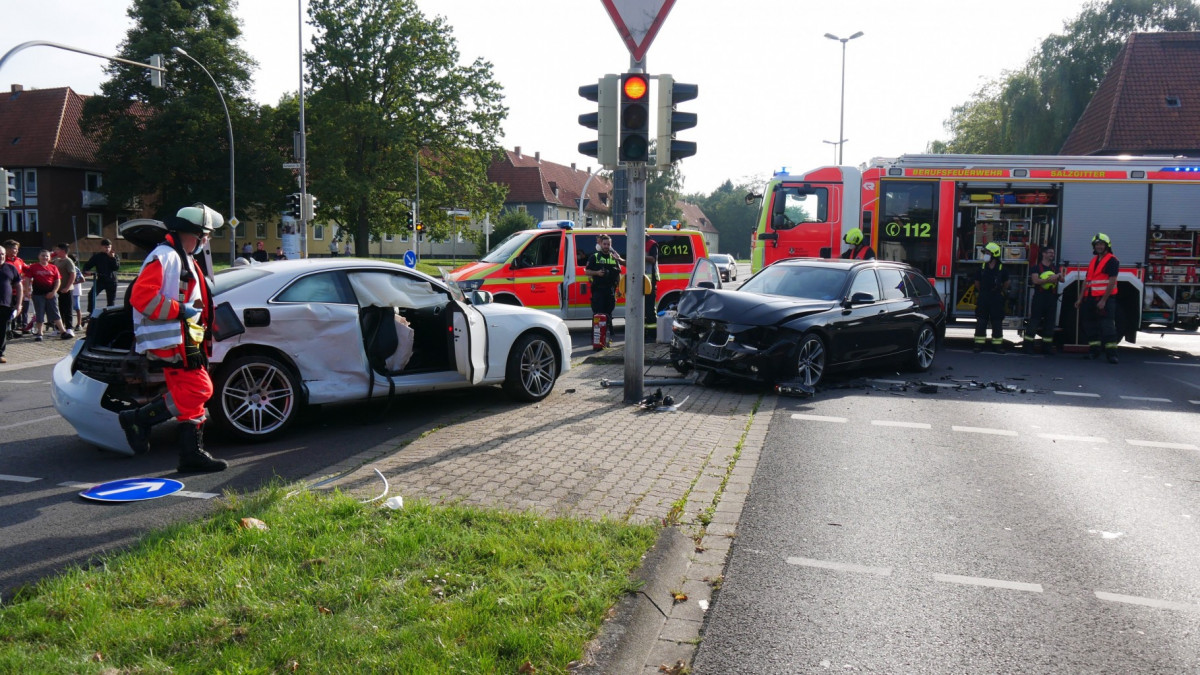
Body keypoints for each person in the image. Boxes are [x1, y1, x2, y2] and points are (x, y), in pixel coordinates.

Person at [119, 204, 227, 472]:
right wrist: (182, 311)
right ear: (191, 234)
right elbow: (142, 297)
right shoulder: (167, 257)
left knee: (190, 393)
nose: (206, 242)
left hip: (183, 340)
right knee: (200, 389)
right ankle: (141, 420)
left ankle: (190, 455)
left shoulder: (179, 256)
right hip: (173, 341)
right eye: (205, 236)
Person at [1075, 232, 1121, 364]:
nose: (1099, 247)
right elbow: (1087, 281)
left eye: (1101, 244)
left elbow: (1112, 282)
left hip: (1104, 299)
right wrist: (1079, 298)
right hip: (1089, 298)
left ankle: (1112, 354)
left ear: (1107, 245)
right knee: (1090, 326)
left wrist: (1103, 300)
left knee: (1107, 326)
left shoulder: (1112, 260)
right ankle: (1094, 351)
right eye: (1097, 244)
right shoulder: (1094, 260)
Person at [22, 249, 73, 341]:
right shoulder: (33, 267)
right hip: (38, 294)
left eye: (47, 256)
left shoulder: (53, 267)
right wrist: (26, 291)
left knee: (55, 312)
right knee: (39, 313)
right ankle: (39, 333)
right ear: (39, 257)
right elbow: (27, 279)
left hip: (50, 293)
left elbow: (58, 281)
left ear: (49, 258)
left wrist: (53, 292)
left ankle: (63, 331)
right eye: (43, 255)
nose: (45, 257)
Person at [585, 234, 623, 346]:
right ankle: (596, 339)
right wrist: (597, 273)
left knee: (608, 315)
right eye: (604, 244)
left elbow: (618, 274)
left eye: (608, 244)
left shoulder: (613, 257)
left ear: (610, 245)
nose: (606, 246)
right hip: (598, 291)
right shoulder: (595, 257)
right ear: (601, 244)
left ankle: (607, 338)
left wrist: (619, 288)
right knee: (598, 315)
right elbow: (587, 272)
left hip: (610, 291)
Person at [972, 241, 1008, 353]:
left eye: (987, 252)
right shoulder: (982, 267)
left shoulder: (1002, 268)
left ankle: (997, 346)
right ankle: (979, 345)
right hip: (984, 296)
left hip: (996, 297)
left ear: (994, 254)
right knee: (981, 321)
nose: (985, 254)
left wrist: (1000, 292)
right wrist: (983, 292)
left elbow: (1006, 283)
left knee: (997, 322)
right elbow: (977, 283)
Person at [1025, 245, 1062, 354]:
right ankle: (1027, 347)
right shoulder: (1036, 268)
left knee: (1049, 324)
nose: (1052, 254)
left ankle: (1047, 348)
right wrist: (1049, 280)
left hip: (1051, 298)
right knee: (1034, 322)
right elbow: (1035, 281)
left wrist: (1058, 276)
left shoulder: (1055, 268)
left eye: (1053, 253)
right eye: (1050, 252)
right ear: (1043, 254)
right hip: (1039, 298)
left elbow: (1062, 279)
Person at [82, 238, 120, 311]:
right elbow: (88, 265)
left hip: (112, 281)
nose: (107, 249)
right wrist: (86, 271)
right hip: (101, 280)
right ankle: (91, 311)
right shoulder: (97, 256)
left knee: (111, 300)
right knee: (91, 294)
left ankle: (110, 314)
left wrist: (112, 258)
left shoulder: (115, 256)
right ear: (101, 247)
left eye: (109, 247)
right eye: (105, 247)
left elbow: (116, 267)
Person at [0, 246, 23, 363]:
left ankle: (0, 353)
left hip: (4, 305)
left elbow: (19, 286)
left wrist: (19, 304)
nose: (1, 256)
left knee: (2, 330)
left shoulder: (10, 268)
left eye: (2, 254)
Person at [2, 240, 29, 336]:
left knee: (15, 310)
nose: (16, 251)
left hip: (17, 291)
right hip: (6, 292)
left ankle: (11, 330)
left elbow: (28, 270)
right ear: (7, 249)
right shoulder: (3, 261)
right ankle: (7, 330)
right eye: (14, 249)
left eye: (17, 249)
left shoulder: (19, 260)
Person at [51, 243, 77, 333]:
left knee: (68, 309)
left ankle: (69, 328)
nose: (56, 251)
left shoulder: (68, 261)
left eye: (57, 250)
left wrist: (67, 287)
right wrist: (52, 254)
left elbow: (72, 274)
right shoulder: (57, 260)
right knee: (60, 309)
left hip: (66, 289)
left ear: (63, 251)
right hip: (59, 289)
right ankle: (59, 328)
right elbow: (47, 261)